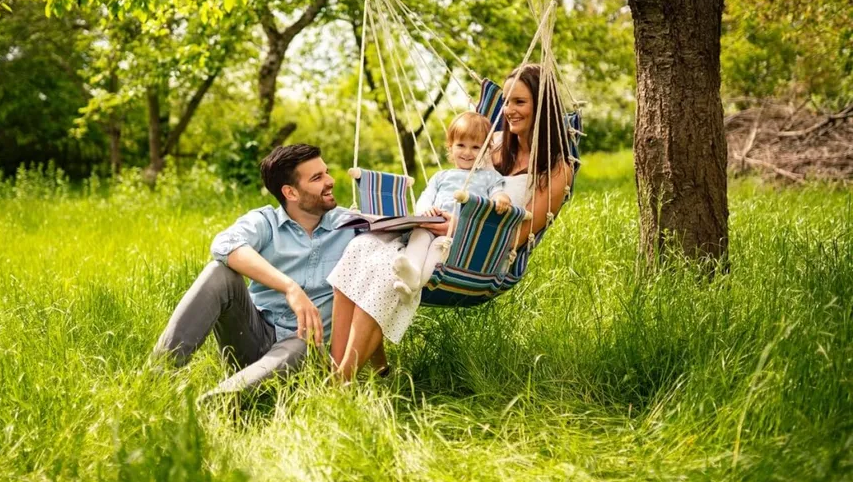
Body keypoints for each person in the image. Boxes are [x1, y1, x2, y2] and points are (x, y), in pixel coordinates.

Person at [328, 64, 573, 380]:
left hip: (478, 253)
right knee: (361, 247)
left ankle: (341, 380)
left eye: (519, 102)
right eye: (507, 101)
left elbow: (518, 235)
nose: (509, 111)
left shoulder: (556, 170)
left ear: (542, 106)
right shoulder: (494, 142)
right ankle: (344, 365)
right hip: (433, 232)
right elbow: (460, 154)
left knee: (386, 267)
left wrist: (456, 228)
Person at [151, 144, 355, 395]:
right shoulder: (265, 221)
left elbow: (399, 228)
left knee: (304, 344)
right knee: (220, 272)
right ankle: (155, 381)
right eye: (317, 177)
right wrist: (290, 287)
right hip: (253, 338)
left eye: (326, 172)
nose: (330, 181)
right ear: (290, 192)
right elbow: (224, 244)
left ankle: (221, 399)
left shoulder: (350, 225)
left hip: (305, 352)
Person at [392, 111, 512, 297]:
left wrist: (502, 199)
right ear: (451, 146)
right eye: (461, 145)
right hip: (431, 224)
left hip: (458, 234)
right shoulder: (441, 176)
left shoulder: (490, 177)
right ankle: (411, 273)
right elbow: (426, 196)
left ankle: (416, 286)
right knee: (419, 236)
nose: (467, 152)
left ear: (486, 150)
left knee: (440, 246)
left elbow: (498, 194)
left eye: (475, 147)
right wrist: (425, 211)